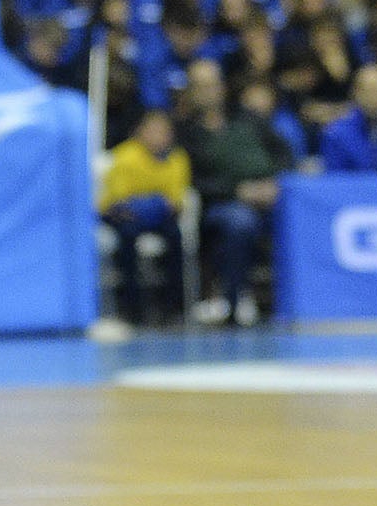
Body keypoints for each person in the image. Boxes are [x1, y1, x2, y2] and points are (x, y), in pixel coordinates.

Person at [180, 60, 289, 326]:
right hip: (219, 205)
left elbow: (283, 153)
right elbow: (191, 180)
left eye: (212, 85)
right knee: (240, 222)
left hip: (268, 194)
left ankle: (303, 302)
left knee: (303, 216)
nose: (208, 91)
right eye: (200, 86)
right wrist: (238, 191)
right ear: (190, 91)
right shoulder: (185, 132)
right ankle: (234, 299)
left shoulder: (248, 118)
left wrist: (274, 184)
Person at [101, 107, 192, 326]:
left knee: (174, 235)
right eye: (153, 130)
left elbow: (175, 202)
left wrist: (154, 205)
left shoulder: (177, 158)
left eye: (164, 131)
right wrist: (154, 203)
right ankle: (131, 308)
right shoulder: (125, 156)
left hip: (158, 217)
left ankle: (173, 308)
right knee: (127, 236)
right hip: (124, 217)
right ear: (140, 132)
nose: (159, 136)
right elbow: (119, 203)